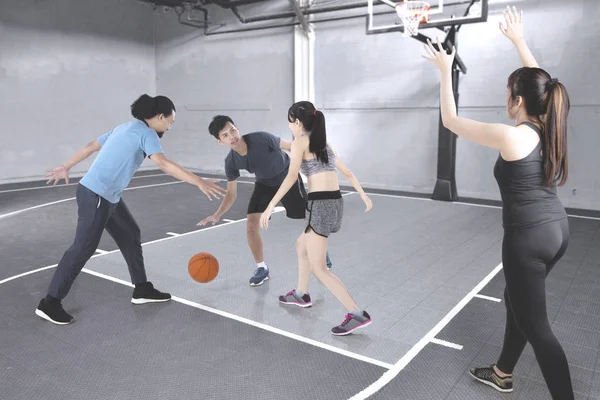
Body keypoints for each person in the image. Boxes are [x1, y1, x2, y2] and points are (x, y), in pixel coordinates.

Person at [423, 6, 573, 399]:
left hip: (527, 240)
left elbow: (452, 122)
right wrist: (520, 43)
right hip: (557, 229)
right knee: (515, 301)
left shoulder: (513, 137)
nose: (505, 97)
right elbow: (545, 85)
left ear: (518, 99)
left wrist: (444, 72)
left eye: (509, 92)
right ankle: (502, 372)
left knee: (537, 329)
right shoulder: (548, 124)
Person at [36, 94, 227, 325]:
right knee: (83, 248)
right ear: (159, 117)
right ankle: (50, 303)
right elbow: (164, 164)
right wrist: (199, 181)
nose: (169, 126)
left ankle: (142, 289)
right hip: (97, 195)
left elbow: (90, 146)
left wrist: (67, 165)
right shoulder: (147, 133)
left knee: (130, 234)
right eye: (170, 121)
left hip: (107, 196)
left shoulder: (125, 127)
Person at [259, 101, 373, 336]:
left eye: (290, 122)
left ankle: (356, 313)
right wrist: (363, 195)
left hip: (320, 205)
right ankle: (301, 294)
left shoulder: (300, 142)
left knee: (320, 268)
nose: (290, 127)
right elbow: (348, 173)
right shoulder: (324, 144)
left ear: (298, 122)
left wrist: (270, 205)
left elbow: (291, 177)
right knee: (301, 245)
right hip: (335, 203)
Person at [199, 115, 333, 287]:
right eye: (225, 135)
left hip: (287, 178)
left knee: (306, 217)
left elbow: (292, 147)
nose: (231, 136)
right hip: (264, 184)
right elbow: (231, 194)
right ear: (220, 141)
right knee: (251, 224)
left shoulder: (261, 138)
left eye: (232, 130)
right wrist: (217, 215)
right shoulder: (231, 162)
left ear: (237, 128)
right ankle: (262, 268)